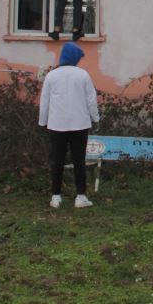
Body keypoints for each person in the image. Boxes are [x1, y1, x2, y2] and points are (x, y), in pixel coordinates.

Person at [39, 42, 100, 209]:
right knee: (79, 160)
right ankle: (80, 196)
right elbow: (91, 100)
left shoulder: (52, 76)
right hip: (80, 124)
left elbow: (45, 101)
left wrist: (42, 122)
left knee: (57, 160)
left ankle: (55, 197)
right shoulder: (83, 75)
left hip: (57, 124)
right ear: (74, 58)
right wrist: (95, 118)